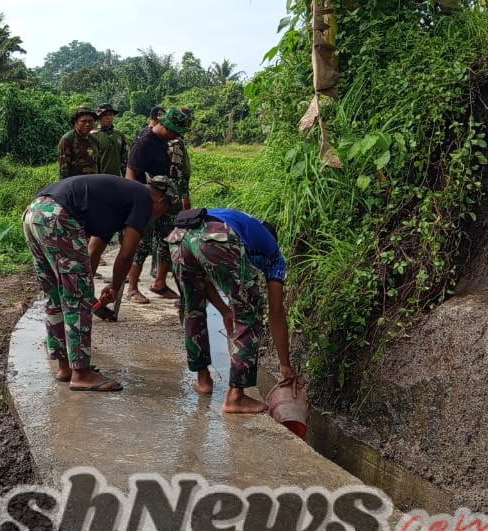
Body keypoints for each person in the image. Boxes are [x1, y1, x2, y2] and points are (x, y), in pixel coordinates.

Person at [23, 174, 180, 392]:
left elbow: (93, 249)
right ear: (162, 202)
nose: (157, 216)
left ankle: (65, 366)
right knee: (76, 298)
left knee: (56, 295)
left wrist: (88, 284)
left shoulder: (117, 199)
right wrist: (111, 287)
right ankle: (81, 374)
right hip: (59, 216)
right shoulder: (144, 199)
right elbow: (127, 254)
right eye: (164, 211)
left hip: (36, 212)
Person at [166, 208, 295, 414]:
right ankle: (235, 397)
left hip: (180, 236)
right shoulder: (273, 254)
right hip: (216, 237)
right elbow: (276, 312)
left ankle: (203, 380)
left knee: (193, 309)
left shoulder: (241, 224)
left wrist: (226, 311)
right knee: (249, 314)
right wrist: (285, 365)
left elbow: (205, 279)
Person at [124, 106, 191, 303]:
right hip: (146, 203)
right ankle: (132, 288)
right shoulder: (144, 143)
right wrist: (139, 204)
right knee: (140, 245)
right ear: (166, 127)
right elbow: (130, 176)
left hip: (164, 202)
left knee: (166, 241)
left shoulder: (163, 142)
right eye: (176, 132)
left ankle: (159, 283)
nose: (177, 136)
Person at [58, 106, 100, 180]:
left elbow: (98, 164)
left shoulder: (94, 139)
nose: (87, 124)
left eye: (90, 121)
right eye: (83, 121)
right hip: (76, 184)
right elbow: (64, 170)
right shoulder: (68, 139)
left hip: (93, 182)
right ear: (76, 122)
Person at [92, 103, 128, 177]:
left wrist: (126, 179)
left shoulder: (119, 135)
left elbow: (124, 160)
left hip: (116, 179)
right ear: (99, 117)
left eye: (111, 114)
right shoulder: (92, 135)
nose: (109, 117)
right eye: (105, 115)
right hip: (98, 179)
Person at [168, 107, 192, 211]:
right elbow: (176, 171)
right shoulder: (176, 142)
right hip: (177, 190)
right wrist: (184, 196)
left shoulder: (178, 140)